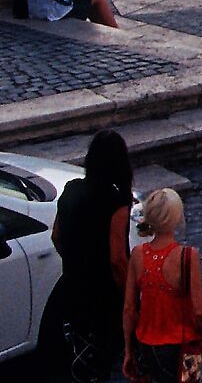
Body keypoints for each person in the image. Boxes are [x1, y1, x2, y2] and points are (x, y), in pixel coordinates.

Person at [51, 130, 133, 382]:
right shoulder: (116, 200)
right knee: (103, 360)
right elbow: (117, 258)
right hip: (103, 297)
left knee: (79, 358)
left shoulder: (71, 189)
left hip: (72, 287)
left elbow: (56, 235)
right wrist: (129, 294)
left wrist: (75, 260)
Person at [123, 188, 202, 383]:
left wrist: (129, 351)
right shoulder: (188, 256)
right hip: (187, 345)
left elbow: (129, 309)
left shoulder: (138, 255)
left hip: (148, 343)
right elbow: (199, 311)